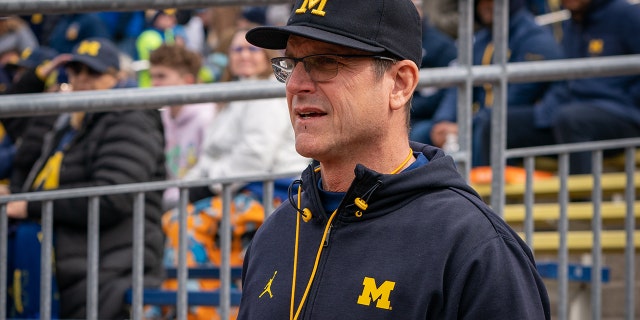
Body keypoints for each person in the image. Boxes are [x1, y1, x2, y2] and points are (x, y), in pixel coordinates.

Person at [237, 0, 550, 319]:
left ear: (400, 84)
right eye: (291, 64)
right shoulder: (276, 231)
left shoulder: (472, 245)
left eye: (324, 61)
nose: (295, 84)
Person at [1, 37, 166, 319]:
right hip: (67, 246)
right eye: (76, 72)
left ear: (118, 78)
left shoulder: (130, 115)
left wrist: (30, 206)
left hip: (107, 255)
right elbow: (20, 142)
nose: (83, 80)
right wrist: (52, 110)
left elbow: (113, 197)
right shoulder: (73, 117)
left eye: (94, 73)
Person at [182, 26, 309, 202]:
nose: (244, 55)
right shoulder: (233, 94)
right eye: (238, 49)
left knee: (178, 224)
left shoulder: (267, 93)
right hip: (233, 187)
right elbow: (211, 153)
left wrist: (210, 186)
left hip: (271, 193)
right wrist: (188, 185)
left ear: (266, 55)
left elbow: (255, 155)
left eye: (252, 49)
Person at [430, 0, 563, 166]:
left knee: (486, 131)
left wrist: (464, 126)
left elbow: (516, 98)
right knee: (423, 133)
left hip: (515, 125)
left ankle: (476, 191)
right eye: (480, 1)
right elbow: (457, 86)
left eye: (492, 1)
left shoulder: (535, 38)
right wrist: (442, 121)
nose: (485, 5)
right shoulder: (482, 38)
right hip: (477, 120)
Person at [519, 0, 640, 174]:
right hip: (570, 114)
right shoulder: (571, 23)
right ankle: (481, 200)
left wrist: (625, 102)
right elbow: (567, 81)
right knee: (496, 123)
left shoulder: (627, 15)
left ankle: (581, 200)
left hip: (625, 117)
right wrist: (545, 110)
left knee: (572, 120)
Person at [148, 43, 216, 210]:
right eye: (152, 77)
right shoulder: (163, 115)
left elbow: (208, 168)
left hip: (197, 202)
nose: (154, 83)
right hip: (169, 202)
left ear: (187, 81)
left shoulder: (206, 116)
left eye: (161, 77)